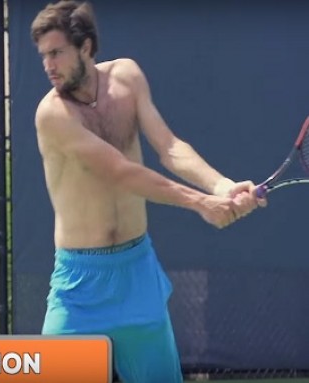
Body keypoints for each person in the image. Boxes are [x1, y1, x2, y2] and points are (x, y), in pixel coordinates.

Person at [30, 1, 266, 382]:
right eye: (43, 55)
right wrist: (202, 203)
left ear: (86, 47)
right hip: (79, 285)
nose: (48, 65)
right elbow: (122, 173)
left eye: (56, 52)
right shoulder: (52, 114)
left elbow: (169, 147)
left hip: (137, 273)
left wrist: (222, 186)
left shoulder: (127, 77)